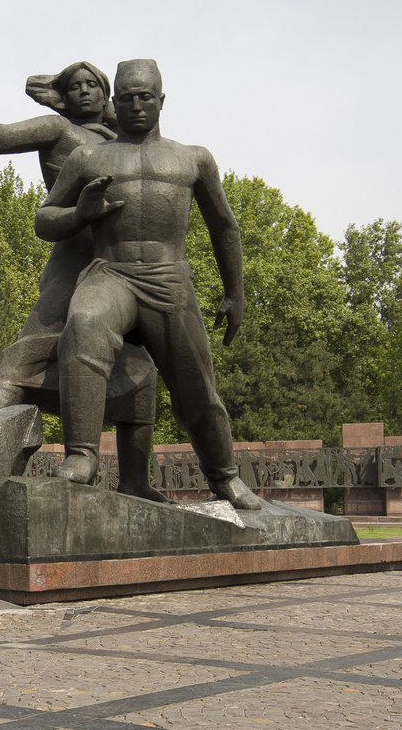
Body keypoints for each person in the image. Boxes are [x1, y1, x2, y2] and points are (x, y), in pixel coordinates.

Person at [0, 63, 165, 502]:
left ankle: (134, 479)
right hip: (73, 260)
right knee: (25, 357)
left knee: (139, 371)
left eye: (93, 84)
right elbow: (2, 134)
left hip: (126, 271)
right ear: (64, 96)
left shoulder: (124, 140)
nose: (85, 92)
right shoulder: (59, 131)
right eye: (75, 87)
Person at [35, 59, 260, 510]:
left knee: (196, 382)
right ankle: (81, 456)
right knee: (84, 326)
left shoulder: (193, 158)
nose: (136, 105)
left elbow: (225, 227)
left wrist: (234, 294)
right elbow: (45, 219)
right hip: (110, 272)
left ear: (162, 100)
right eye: (126, 98)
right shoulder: (88, 157)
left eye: (145, 97)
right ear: (113, 101)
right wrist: (81, 214)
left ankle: (226, 476)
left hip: (168, 279)